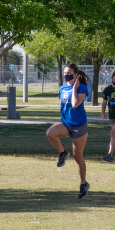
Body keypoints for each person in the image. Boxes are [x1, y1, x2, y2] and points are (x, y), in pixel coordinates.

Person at [45, 64, 91, 199]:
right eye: (65, 72)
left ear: (75, 74)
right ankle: (63, 153)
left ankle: (83, 183)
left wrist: (75, 89)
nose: (66, 74)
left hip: (79, 125)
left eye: (69, 72)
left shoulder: (82, 88)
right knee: (50, 133)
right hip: (66, 123)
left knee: (78, 157)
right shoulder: (62, 88)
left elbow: (75, 104)